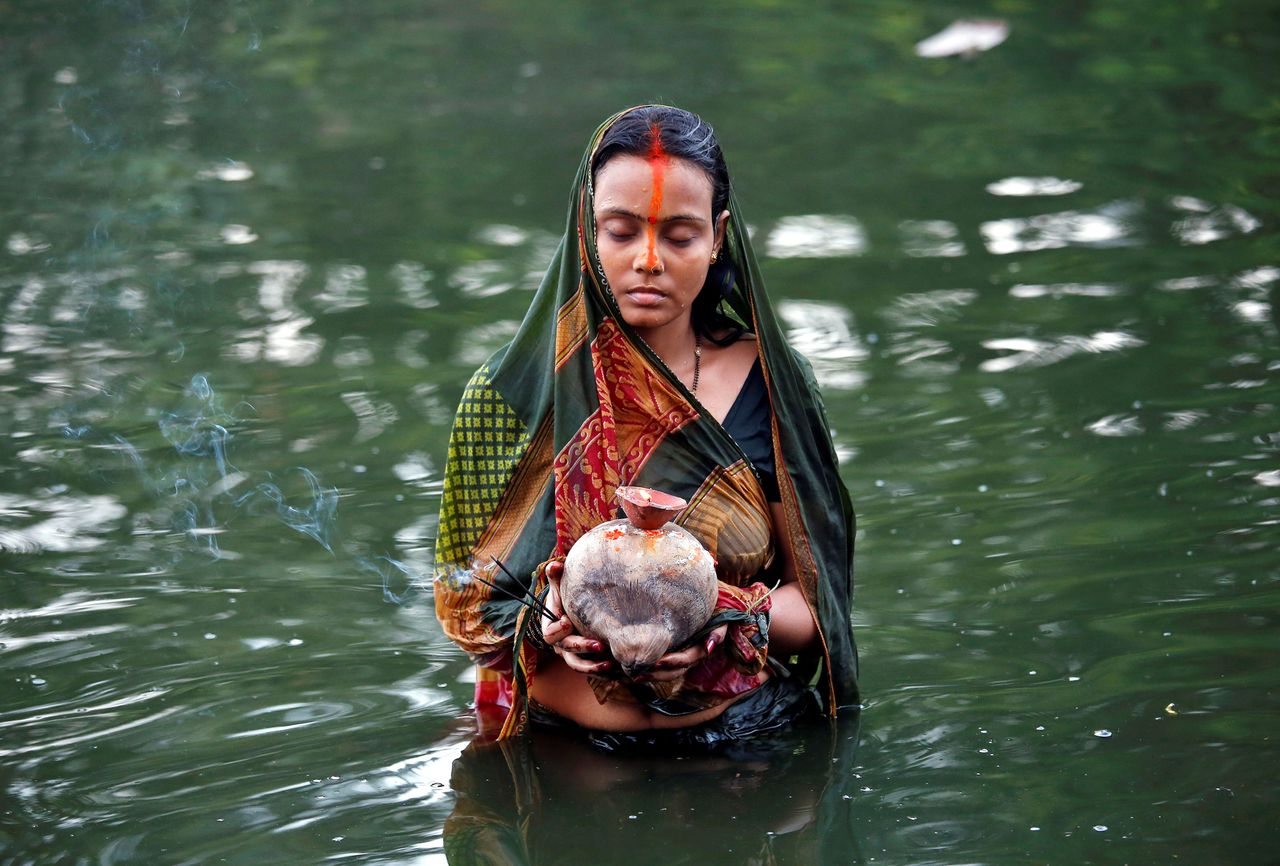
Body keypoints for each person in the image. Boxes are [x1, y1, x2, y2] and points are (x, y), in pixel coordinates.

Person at [433, 104, 858, 743]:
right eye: (622, 230)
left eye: (680, 236)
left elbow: (820, 606)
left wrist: (728, 612)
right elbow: (468, 601)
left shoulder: (773, 390)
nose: (650, 259)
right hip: (557, 755)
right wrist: (548, 617)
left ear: (717, 238)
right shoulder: (512, 397)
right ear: (587, 231)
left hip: (746, 750)